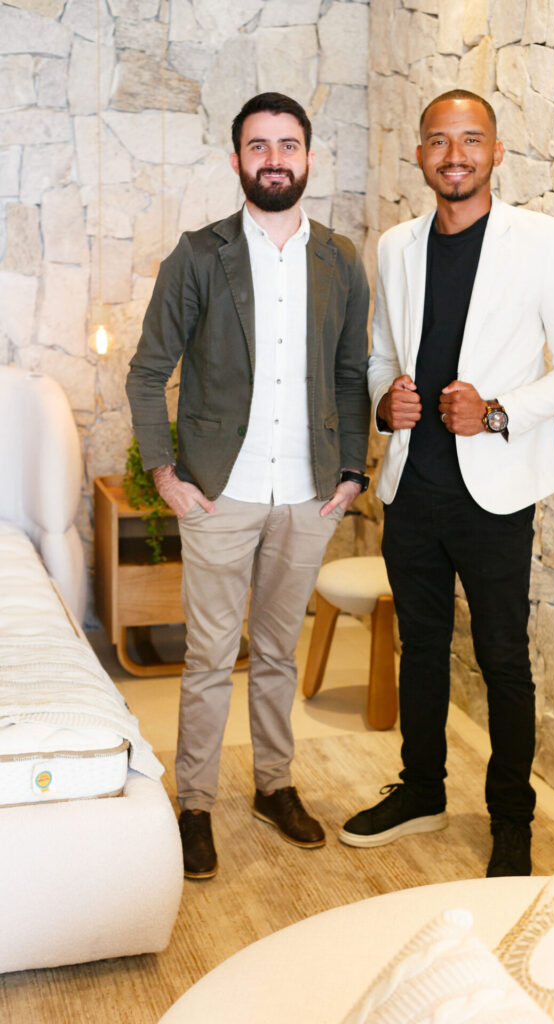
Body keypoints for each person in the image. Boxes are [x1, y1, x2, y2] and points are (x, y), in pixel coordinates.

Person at [339, 89, 554, 876]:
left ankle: (511, 821)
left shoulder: (540, 241)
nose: (454, 154)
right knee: (420, 647)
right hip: (412, 486)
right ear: (420, 154)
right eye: (439, 140)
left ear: (494, 151)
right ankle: (421, 789)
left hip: (495, 494)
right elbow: (381, 354)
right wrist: (384, 401)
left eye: (470, 139)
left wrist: (494, 414)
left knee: (501, 657)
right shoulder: (395, 246)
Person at [127, 92, 370, 879]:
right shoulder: (199, 255)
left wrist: (351, 471)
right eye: (258, 146)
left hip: (308, 495)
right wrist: (164, 474)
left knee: (275, 652)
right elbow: (147, 371)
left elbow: (349, 374)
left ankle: (274, 786)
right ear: (236, 160)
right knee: (208, 657)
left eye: (287, 145)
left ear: (308, 157)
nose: (274, 159)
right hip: (219, 491)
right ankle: (195, 804)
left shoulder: (340, 259)